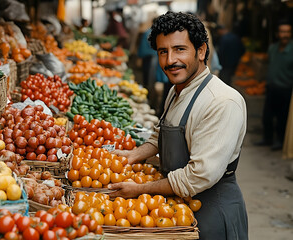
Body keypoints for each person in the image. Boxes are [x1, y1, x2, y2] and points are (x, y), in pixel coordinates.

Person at [109, 12, 248, 239]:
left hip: (212, 212)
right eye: (163, 51)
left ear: (201, 51)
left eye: (180, 49)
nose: (170, 60)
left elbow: (198, 176)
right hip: (180, 210)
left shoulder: (222, 102)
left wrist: (139, 190)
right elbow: (161, 133)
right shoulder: (177, 91)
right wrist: (133, 155)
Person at [255, 21, 293, 151]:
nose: (285, 35)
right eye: (282, 32)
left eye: (287, 32)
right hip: (271, 87)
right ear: (278, 34)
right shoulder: (272, 48)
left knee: (282, 118)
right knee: (267, 116)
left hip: (286, 88)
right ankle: (267, 138)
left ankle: (280, 140)